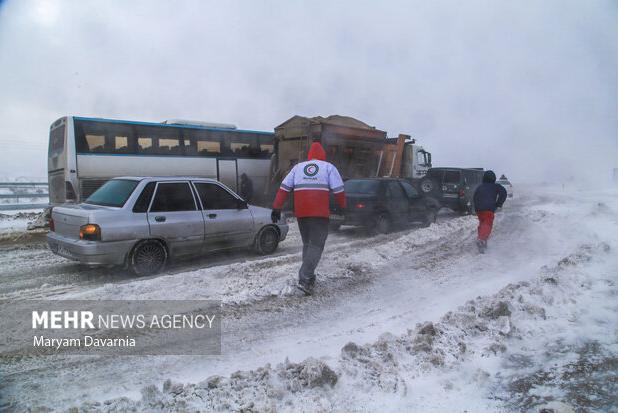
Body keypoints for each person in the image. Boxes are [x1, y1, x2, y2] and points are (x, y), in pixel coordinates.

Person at [271, 142, 346, 295]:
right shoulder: (328, 167)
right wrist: (343, 206)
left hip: (302, 214)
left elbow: (283, 188)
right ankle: (305, 278)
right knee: (317, 245)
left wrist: (276, 207)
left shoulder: (298, 168)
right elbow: (339, 190)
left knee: (308, 244)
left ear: (310, 155)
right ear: (323, 155)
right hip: (319, 214)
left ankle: (309, 277)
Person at [473, 170, 507, 253]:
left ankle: (482, 241)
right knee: (487, 224)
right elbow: (504, 193)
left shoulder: (480, 186)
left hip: (479, 210)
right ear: (493, 178)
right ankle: (481, 240)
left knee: (482, 223)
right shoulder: (496, 186)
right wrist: (498, 204)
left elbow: (475, 196)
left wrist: (477, 207)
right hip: (488, 209)